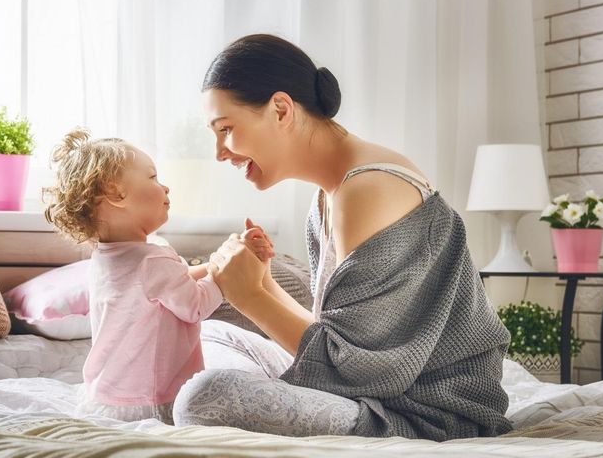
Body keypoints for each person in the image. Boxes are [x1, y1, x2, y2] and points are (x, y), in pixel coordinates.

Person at [172, 34, 513, 441]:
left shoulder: (369, 189)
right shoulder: (330, 195)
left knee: (204, 396)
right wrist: (258, 281)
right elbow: (337, 337)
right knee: (209, 335)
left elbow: (359, 371)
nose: (219, 152)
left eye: (226, 129)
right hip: (374, 391)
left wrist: (250, 296)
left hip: (429, 413)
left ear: (281, 108)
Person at [42, 128, 274, 424]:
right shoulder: (153, 259)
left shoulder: (106, 256)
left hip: (107, 395)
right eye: (153, 178)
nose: (165, 188)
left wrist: (218, 261)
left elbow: (171, 283)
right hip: (152, 400)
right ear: (116, 193)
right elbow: (195, 306)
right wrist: (226, 274)